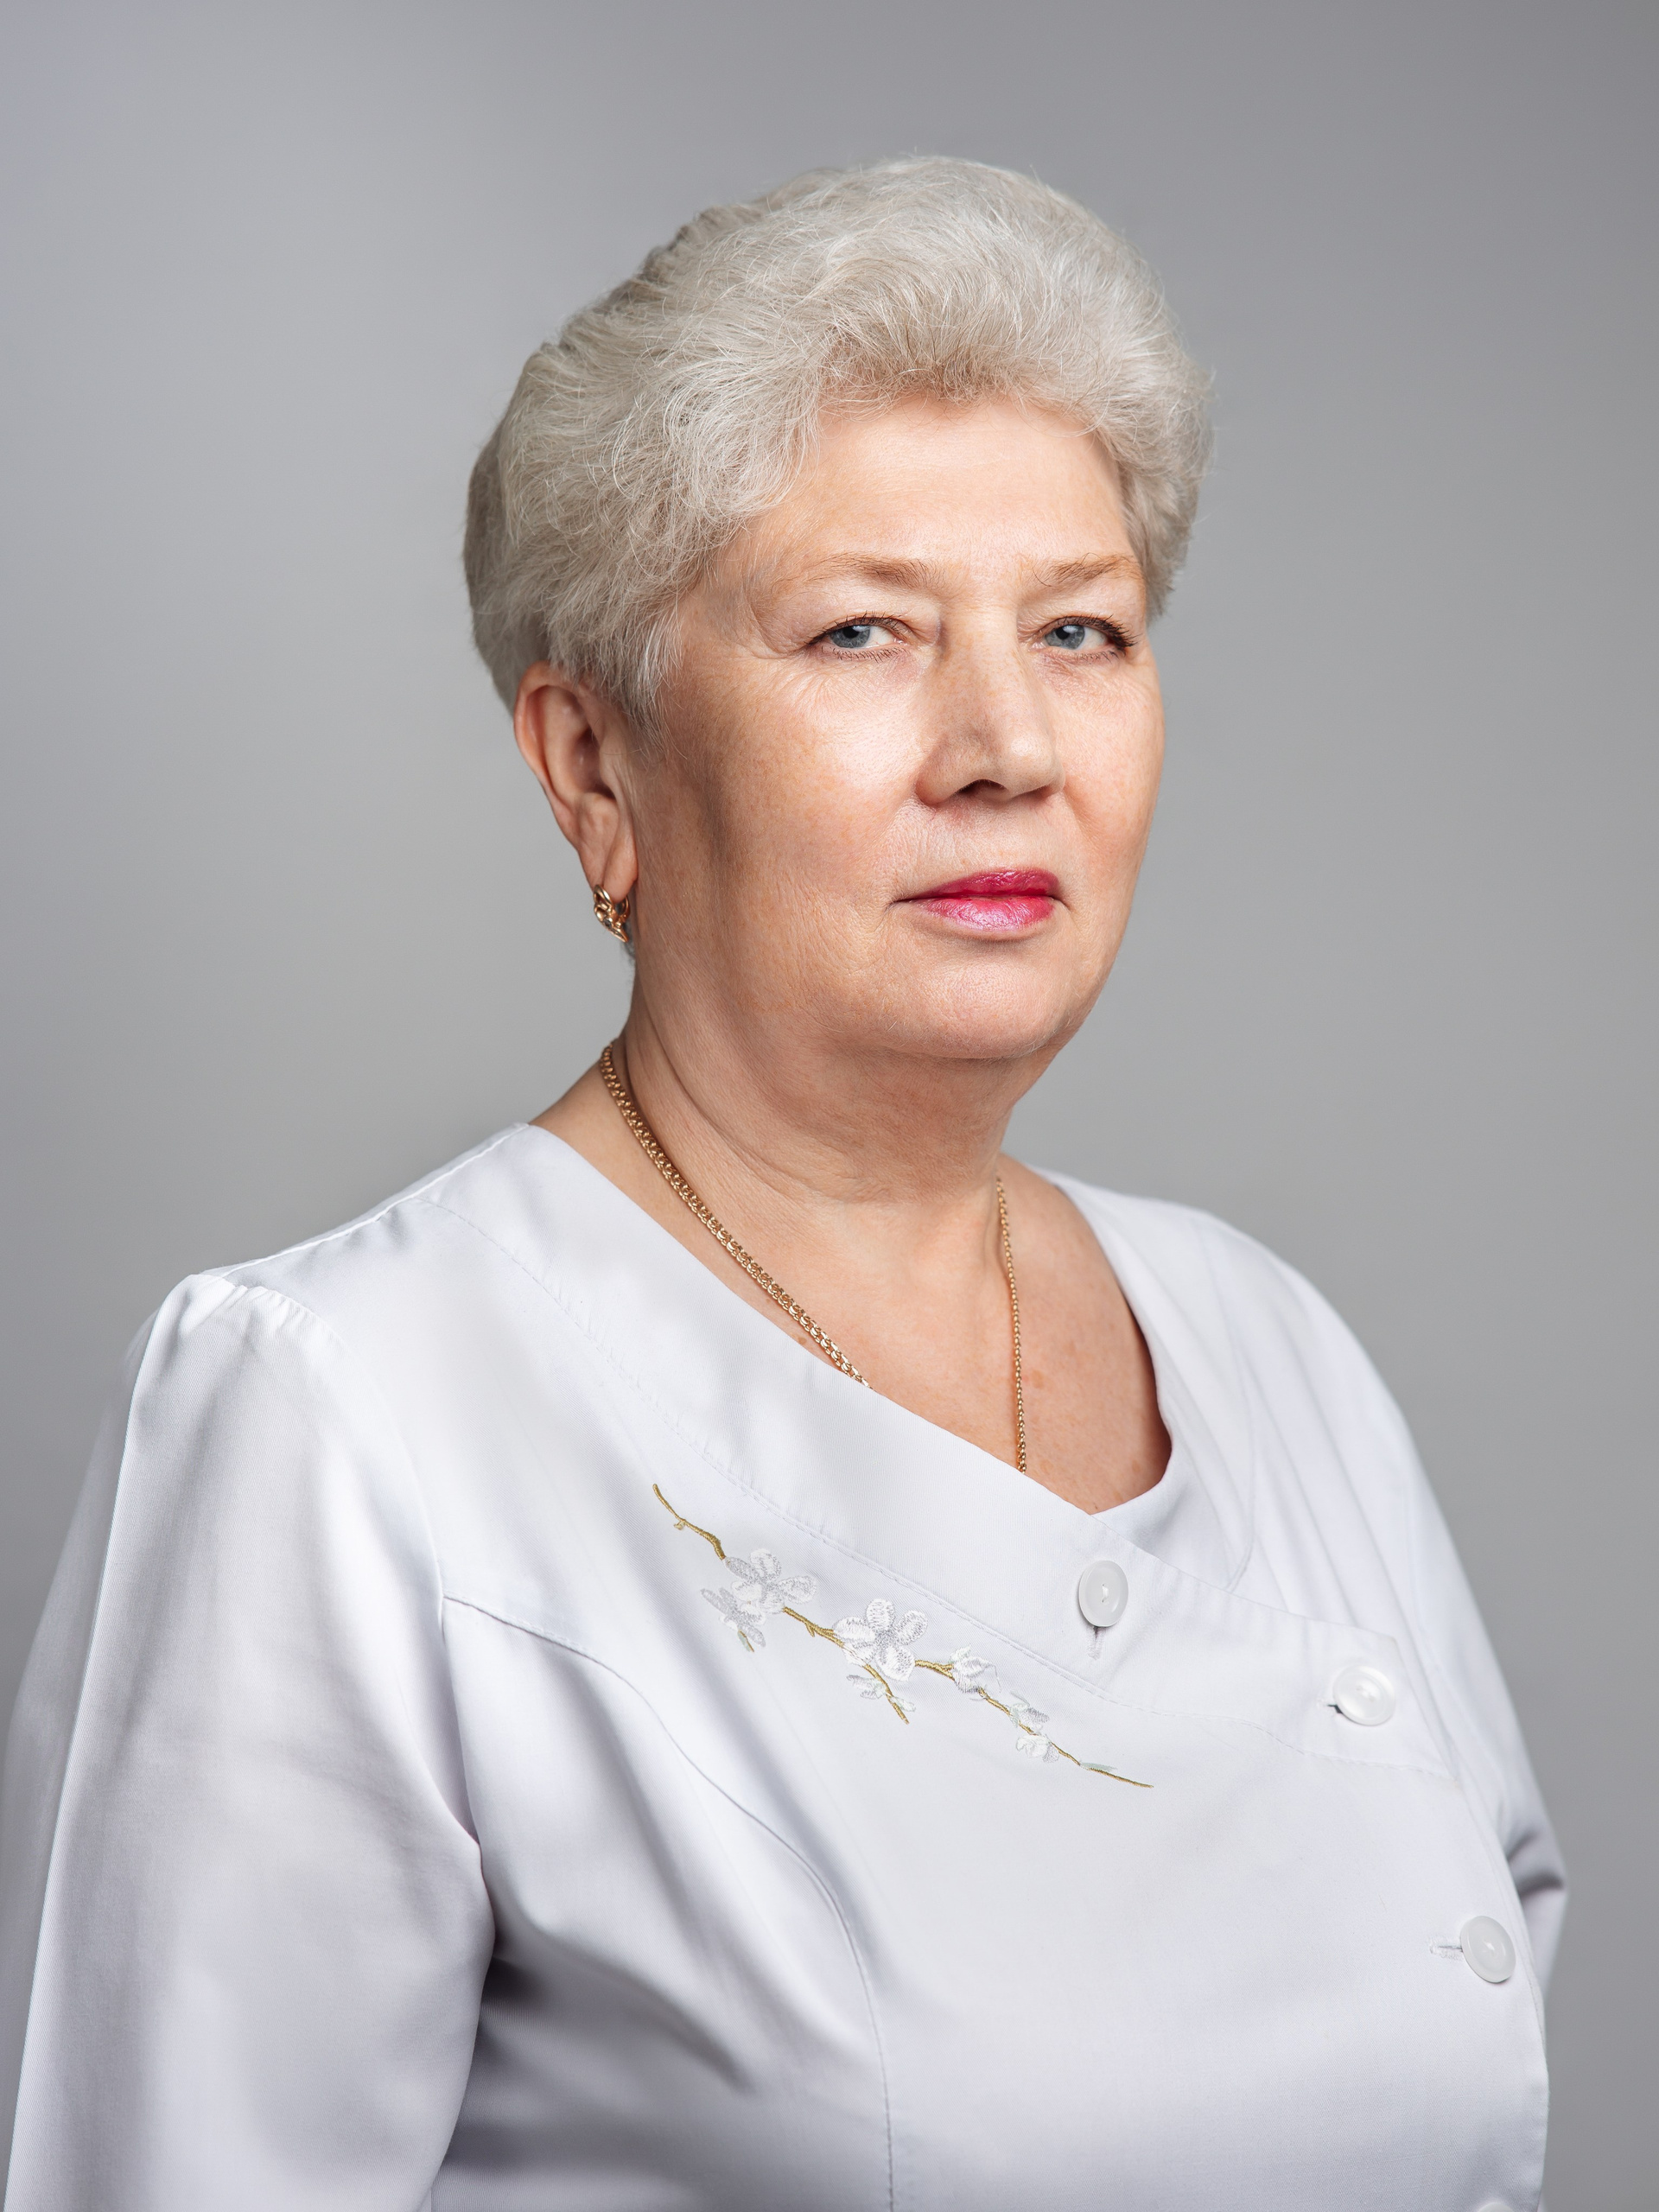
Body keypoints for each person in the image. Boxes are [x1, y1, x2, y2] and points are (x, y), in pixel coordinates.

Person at [0, 158, 1560, 2210]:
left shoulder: (1273, 1349)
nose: (1006, 743)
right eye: (863, 630)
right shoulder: (344, 1415)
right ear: (594, 765)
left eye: (1081, 629)